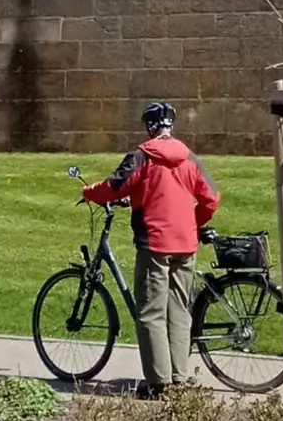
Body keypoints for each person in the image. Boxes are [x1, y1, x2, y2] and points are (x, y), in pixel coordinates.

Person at [81, 101, 220, 396]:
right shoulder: (190, 158)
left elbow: (116, 186)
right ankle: (179, 378)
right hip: (186, 245)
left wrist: (89, 192)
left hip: (155, 243)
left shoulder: (142, 156)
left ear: (149, 126)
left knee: (151, 313)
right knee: (180, 310)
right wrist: (192, 223)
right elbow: (211, 199)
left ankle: (159, 383)